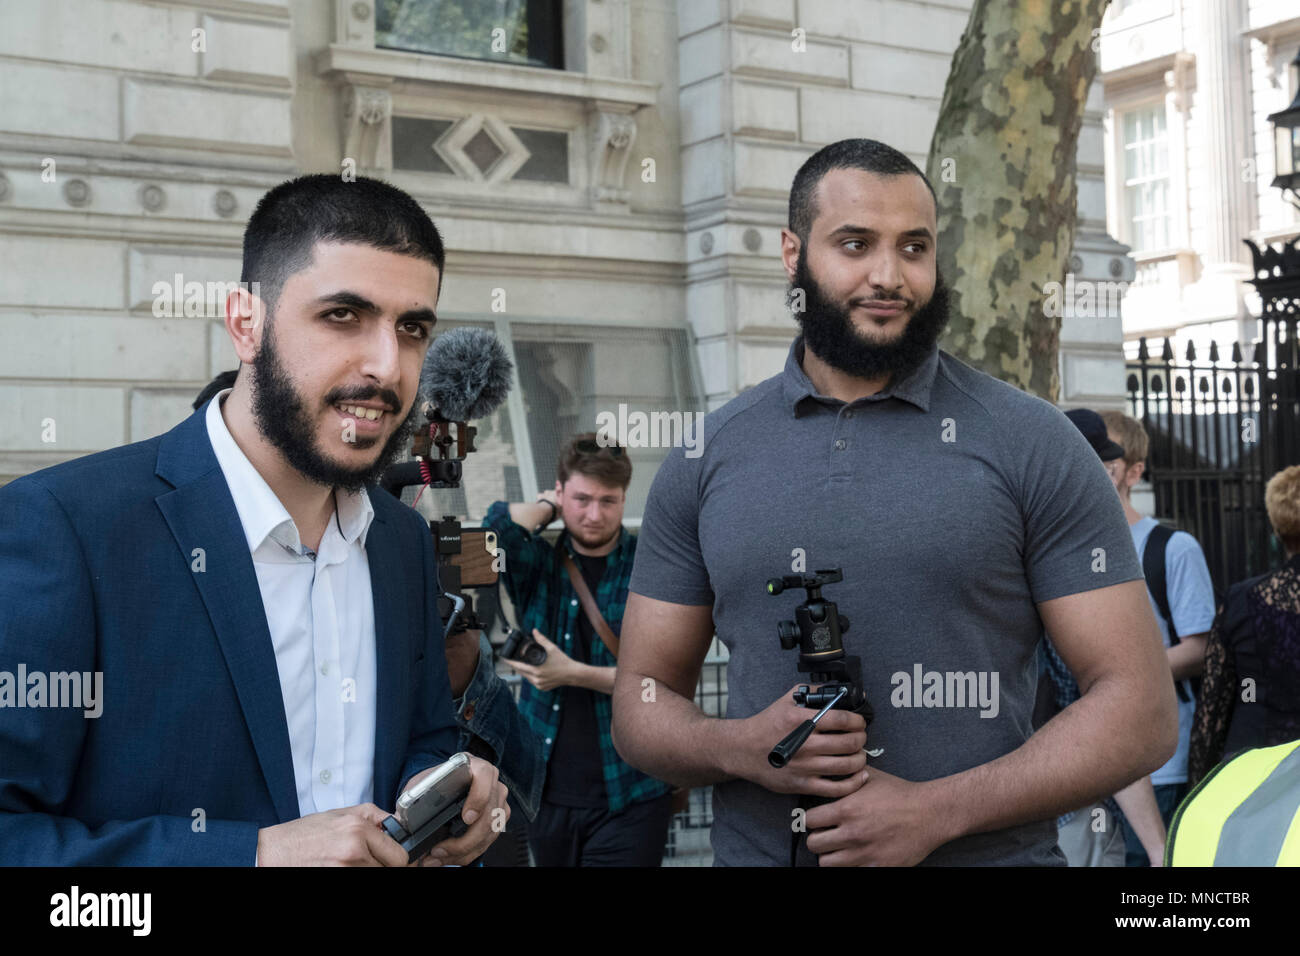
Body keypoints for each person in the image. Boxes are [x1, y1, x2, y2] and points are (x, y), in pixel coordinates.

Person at [611, 138, 1178, 866]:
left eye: (915, 247)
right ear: (793, 254)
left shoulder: (1032, 440)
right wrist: (741, 747)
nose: (889, 275)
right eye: (855, 244)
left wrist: (934, 812)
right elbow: (642, 700)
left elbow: (1141, 709)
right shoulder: (704, 455)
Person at [0, 174, 513, 865]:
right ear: (246, 323)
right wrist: (252, 857)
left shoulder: (400, 541)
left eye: (412, 328)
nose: (388, 367)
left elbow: (420, 737)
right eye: (343, 316)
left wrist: (442, 786)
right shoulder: (66, 528)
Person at [483, 434, 675, 866]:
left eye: (608, 501)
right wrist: (546, 509)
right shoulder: (536, 562)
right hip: (545, 791)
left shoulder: (652, 567)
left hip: (632, 791)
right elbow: (492, 531)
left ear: (625, 498)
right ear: (560, 491)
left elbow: (664, 684)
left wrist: (571, 673)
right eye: (581, 498)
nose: (593, 514)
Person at [1039, 409, 1168, 867]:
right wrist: (1158, 848)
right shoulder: (1068, 562)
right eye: (1102, 466)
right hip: (1065, 819)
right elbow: (1111, 716)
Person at [1099, 410, 1215, 866]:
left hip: (1160, 762)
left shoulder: (1172, 548)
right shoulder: (1060, 548)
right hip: (1081, 767)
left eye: (1107, 463)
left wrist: (1115, 673)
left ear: (1134, 471)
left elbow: (1199, 649)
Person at [1189, 464, 1300, 785]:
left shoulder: (1241, 599)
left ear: (1277, 527)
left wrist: (1198, 789)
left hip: (1255, 773)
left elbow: (1212, 710)